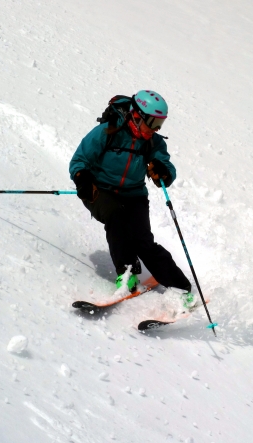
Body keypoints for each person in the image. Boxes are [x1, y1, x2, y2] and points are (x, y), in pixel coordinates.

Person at [69, 90, 194, 304]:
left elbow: (166, 165)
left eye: (159, 124)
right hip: (99, 191)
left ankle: (181, 287)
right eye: (152, 122)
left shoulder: (152, 142)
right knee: (116, 217)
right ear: (137, 116)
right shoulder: (107, 132)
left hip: (134, 194)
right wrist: (82, 179)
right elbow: (79, 160)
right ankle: (126, 274)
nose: (155, 129)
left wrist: (162, 171)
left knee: (143, 241)